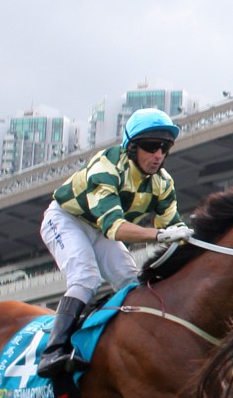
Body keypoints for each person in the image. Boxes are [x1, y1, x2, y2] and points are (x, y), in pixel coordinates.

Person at [37, 108, 193, 380]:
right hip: (66, 219)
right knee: (86, 277)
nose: (158, 155)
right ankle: (53, 351)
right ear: (131, 148)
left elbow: (174, 228)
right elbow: (116, 228)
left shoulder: (163, 183)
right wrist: (159, 235)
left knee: (132, 282)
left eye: (165, 147)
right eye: (150, 146)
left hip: (98, 229)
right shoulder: (106, 167)